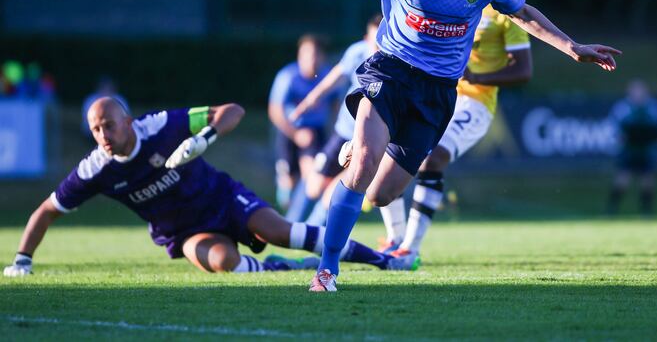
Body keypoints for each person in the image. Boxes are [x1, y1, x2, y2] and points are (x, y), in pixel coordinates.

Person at [293, 0, 620, 292]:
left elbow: (522, 13)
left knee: (380, 195)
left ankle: (360, 148)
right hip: (391, 73)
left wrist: (573, 47)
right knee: (363, 165)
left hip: (439, 92)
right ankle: (327, 271)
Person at [3, 98, 400, 277]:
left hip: (223, 199)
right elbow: (47, 210)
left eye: (109, 124)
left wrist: (204, 137)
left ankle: (382, 261)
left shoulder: (161, 127)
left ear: (128, 121)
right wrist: (22, 259)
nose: (104, 134)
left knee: (283, 231)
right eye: (96, 129)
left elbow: (233, 111)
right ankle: (280, 269)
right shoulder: (96, 170)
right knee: (225, 263)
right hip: (185, 232)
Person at [377, 4, 532, 263]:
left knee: (433, 159)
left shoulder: (505, 12)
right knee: (390, 152)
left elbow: (523, 71)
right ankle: (395, 239)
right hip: (433, 94)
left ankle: (410, 249)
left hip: (475, 103)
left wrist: (476, 77)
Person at [287, 15, 382, 225]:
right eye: (374, 41)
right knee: (313, 186)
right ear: (366, 38)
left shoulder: (395, 61)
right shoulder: (357, 52)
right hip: (343, 133)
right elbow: (336, 76)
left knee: (333, 193)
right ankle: (295, 227)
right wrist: (311, 99)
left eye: (382, 40)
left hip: (369, 140)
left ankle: (311, 232)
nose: (377, 46)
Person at [268, 35, 334, 219]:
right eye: (307, 54)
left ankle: (294, 220)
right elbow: (275, 110)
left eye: (316, 54)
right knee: (288, 182)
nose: (311, 59)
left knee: (311, 174)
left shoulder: (327, 76)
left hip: (315, 132)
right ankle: (287, 209)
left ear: (322, 56)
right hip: (289, 132)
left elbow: (335, 104)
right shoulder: (288, 77)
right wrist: (296, 134)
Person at [606, 80, 657, 216]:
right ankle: (611, 210)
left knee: (647, 181)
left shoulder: (653, 107)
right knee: (622, 180)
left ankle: (646, 212)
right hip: (629, 150)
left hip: (646, 150)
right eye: (635, 90)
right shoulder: (623, 108)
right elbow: (615, 128)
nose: (638, 94)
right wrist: (619, 138)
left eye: (640, 90)